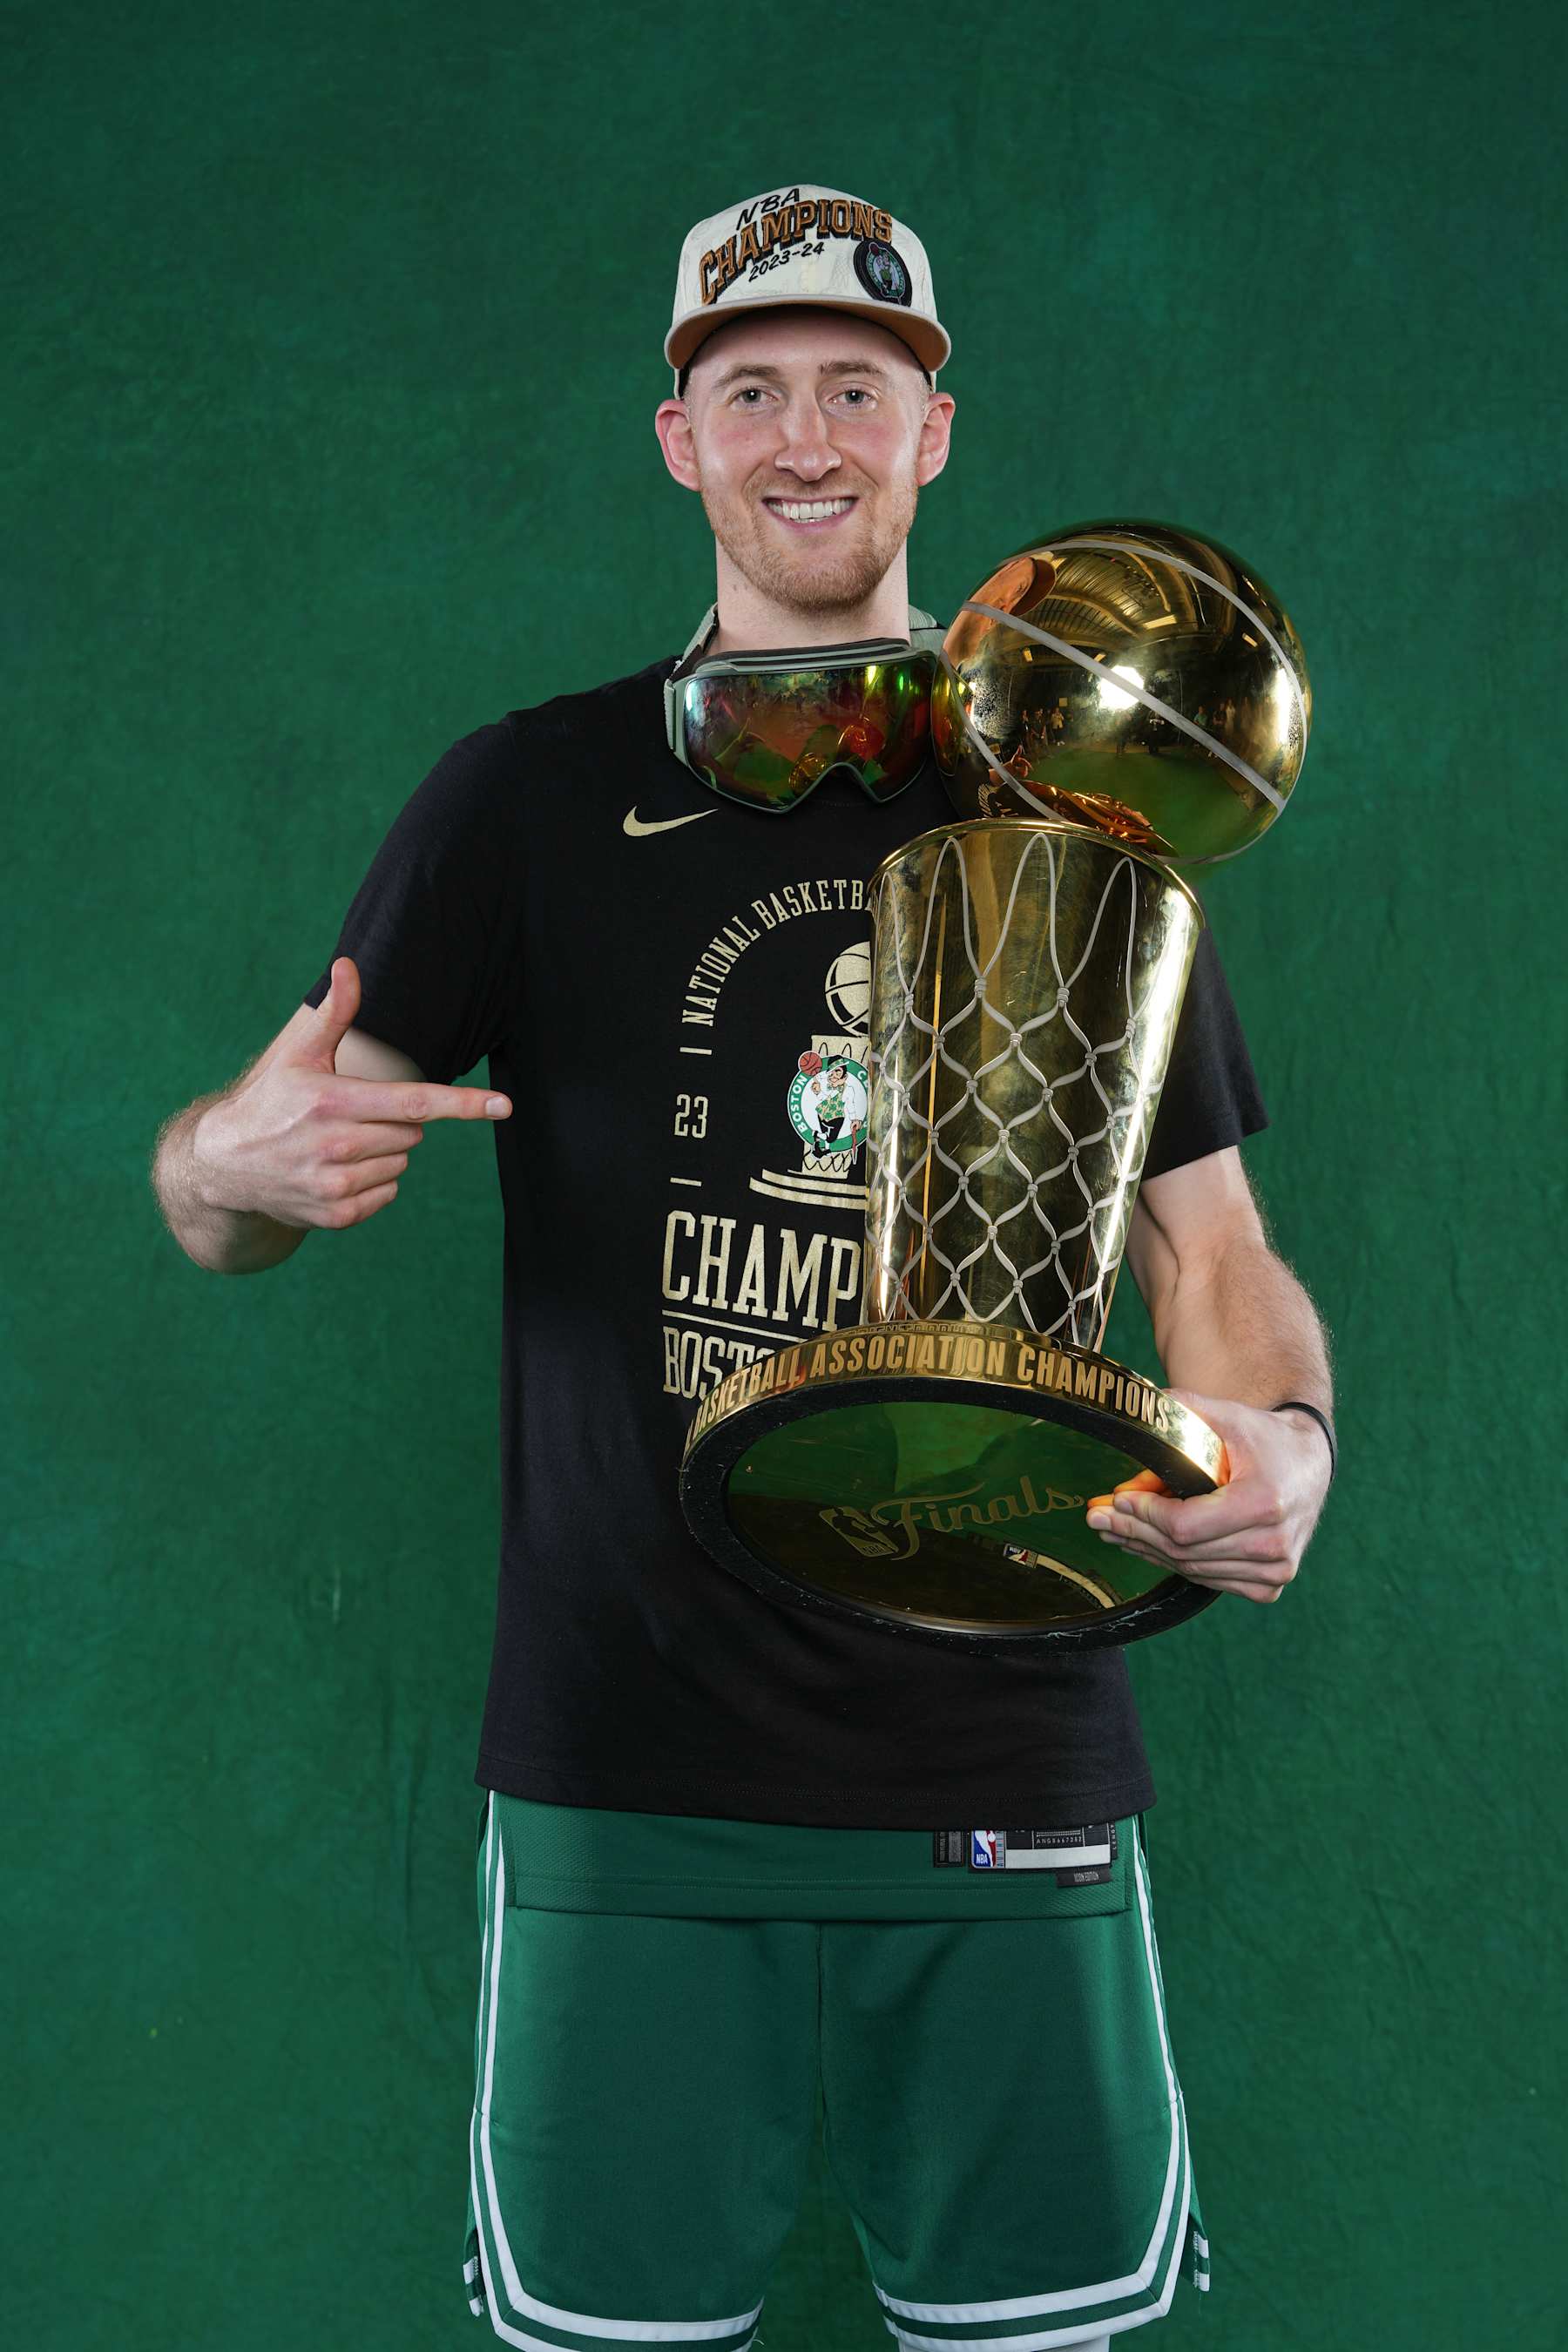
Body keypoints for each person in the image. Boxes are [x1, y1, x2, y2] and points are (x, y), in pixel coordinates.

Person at [150, 182, 1336, 2352]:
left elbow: (1216, 1245)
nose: (809, 434)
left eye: (858, 390)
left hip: (1005, 1756)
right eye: (753, 387)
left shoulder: (1086, 816)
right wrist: (228, 1161)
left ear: (934, 436)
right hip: (625, 1776)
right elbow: (233, 1181)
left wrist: (1287, 1435)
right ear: (679, 438)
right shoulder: (524, 794)